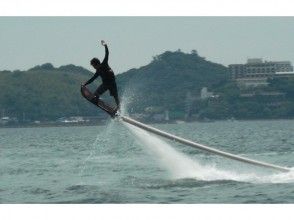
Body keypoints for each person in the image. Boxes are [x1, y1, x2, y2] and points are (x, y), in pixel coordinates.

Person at [82, 40, 120, 111]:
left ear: (96, 64)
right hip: (105, 84)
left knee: (115, 96)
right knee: (96, 93)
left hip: (112, 83)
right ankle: (96, 99)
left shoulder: (104, 64)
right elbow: (93, 79)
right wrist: (85, 84)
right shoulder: (98, 71)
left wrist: (105, 45)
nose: (93, 67)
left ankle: (118, 108)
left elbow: (107, 53)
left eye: (93, 66)